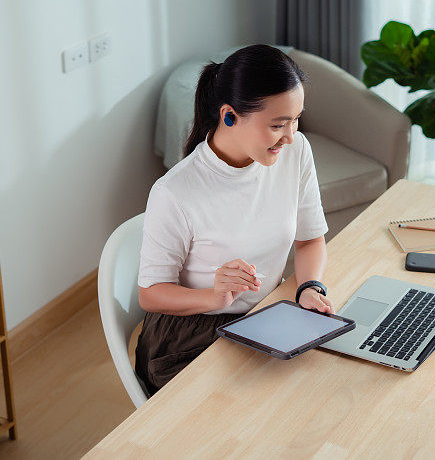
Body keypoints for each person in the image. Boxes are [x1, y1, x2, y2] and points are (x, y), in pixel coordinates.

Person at [134, 44, 335, 397]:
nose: (289, 135)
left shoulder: (296, 151)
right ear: (229, 115)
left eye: (296, 119)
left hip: (261, 316)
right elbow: (150, 295)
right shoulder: (175, 192)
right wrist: (214, 296)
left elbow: (309, 239)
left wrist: (309, 288)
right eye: (277, 124)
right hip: (189, 333)